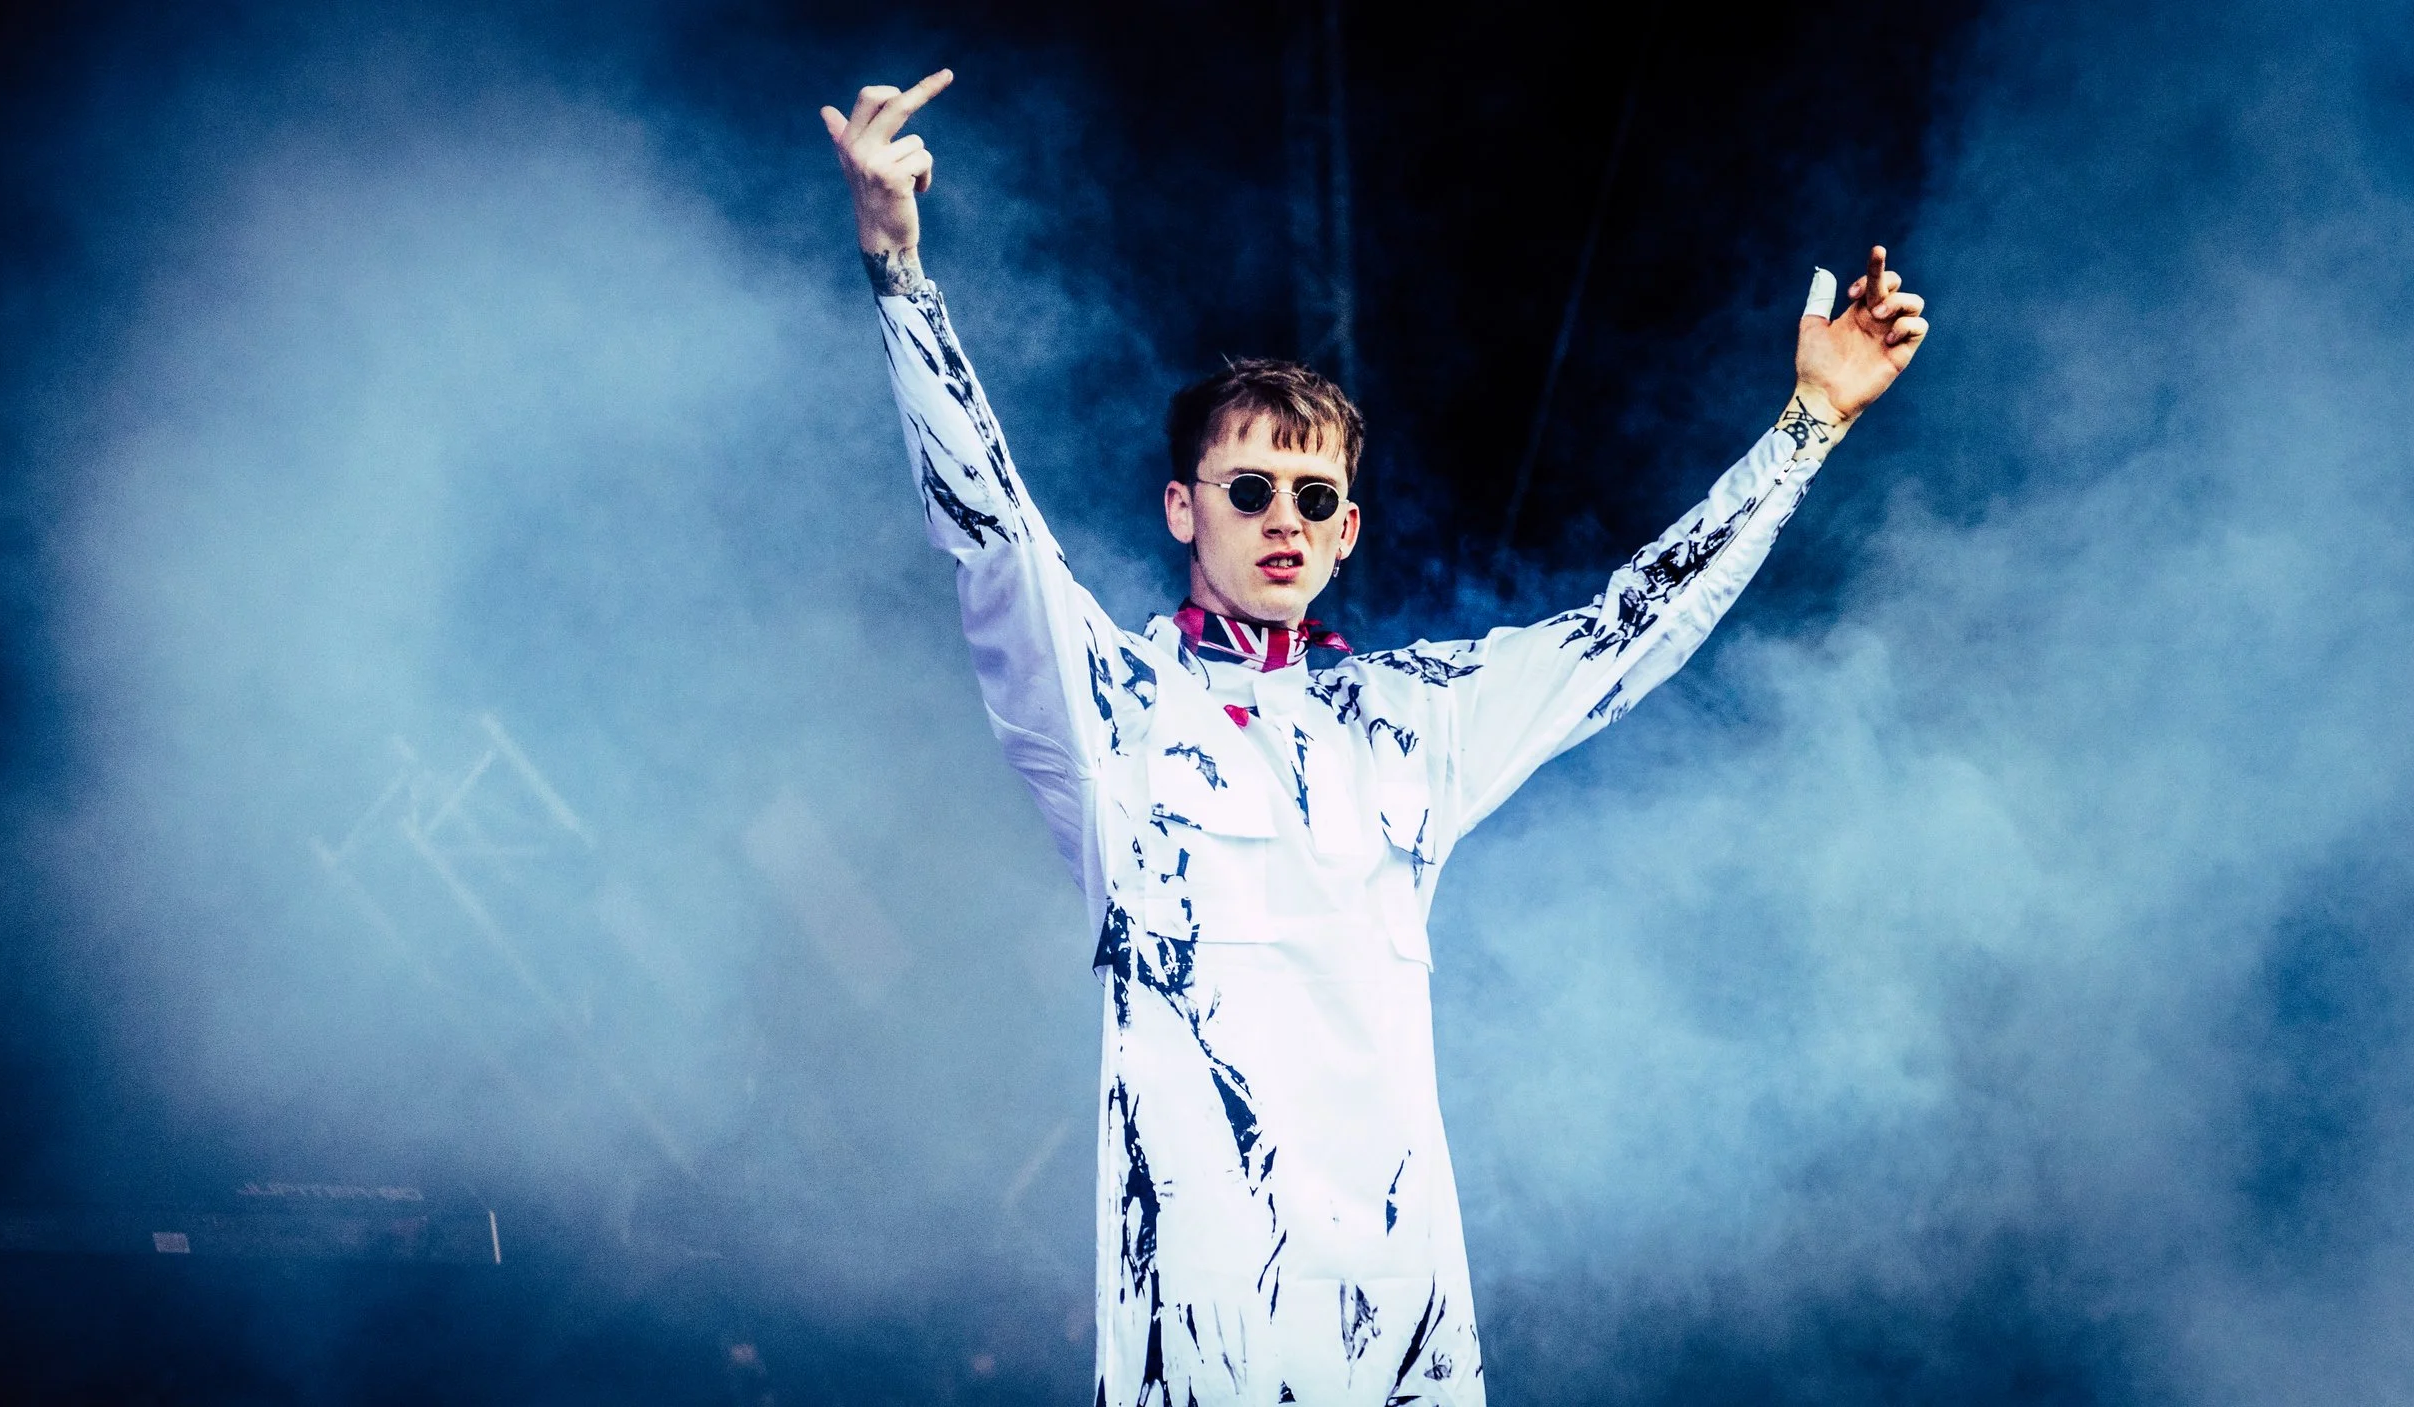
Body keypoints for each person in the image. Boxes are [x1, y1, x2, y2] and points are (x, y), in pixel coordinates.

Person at [822, 68, 1927, 1407]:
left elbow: (1637, 623)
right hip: (1207, 1330)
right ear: (1185, 509)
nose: (1281, 517)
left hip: (1400, 1323)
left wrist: (1807, 427)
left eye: (1314, 494)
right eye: (1249, 489)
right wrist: (899, 270)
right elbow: (988, 521)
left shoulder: (1418, 719)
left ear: (1348, 529)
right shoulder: (1108, 705)